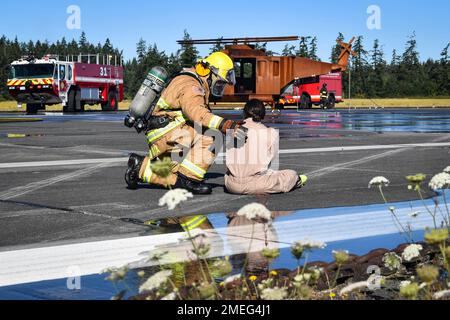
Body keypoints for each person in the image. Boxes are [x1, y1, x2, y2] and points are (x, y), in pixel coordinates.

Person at [125, 52, 248, 195]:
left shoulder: (190, 80)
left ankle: (140, 167)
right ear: (207, 72)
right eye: (219, 83)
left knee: (170, 173)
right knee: (213, 135)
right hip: (170, 135)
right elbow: (196, 113)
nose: (220, 87)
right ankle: (189, 180)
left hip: (164, 136)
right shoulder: (191, 85)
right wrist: (225, 125)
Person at [225, 99, 308, 195]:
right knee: (291, 174)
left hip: (231, 184)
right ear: (262, 114)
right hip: (256, 183)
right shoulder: (270, 133)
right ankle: (296, 180)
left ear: (245, 112)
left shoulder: (232, 130)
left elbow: (229, 160)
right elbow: (271, 161)